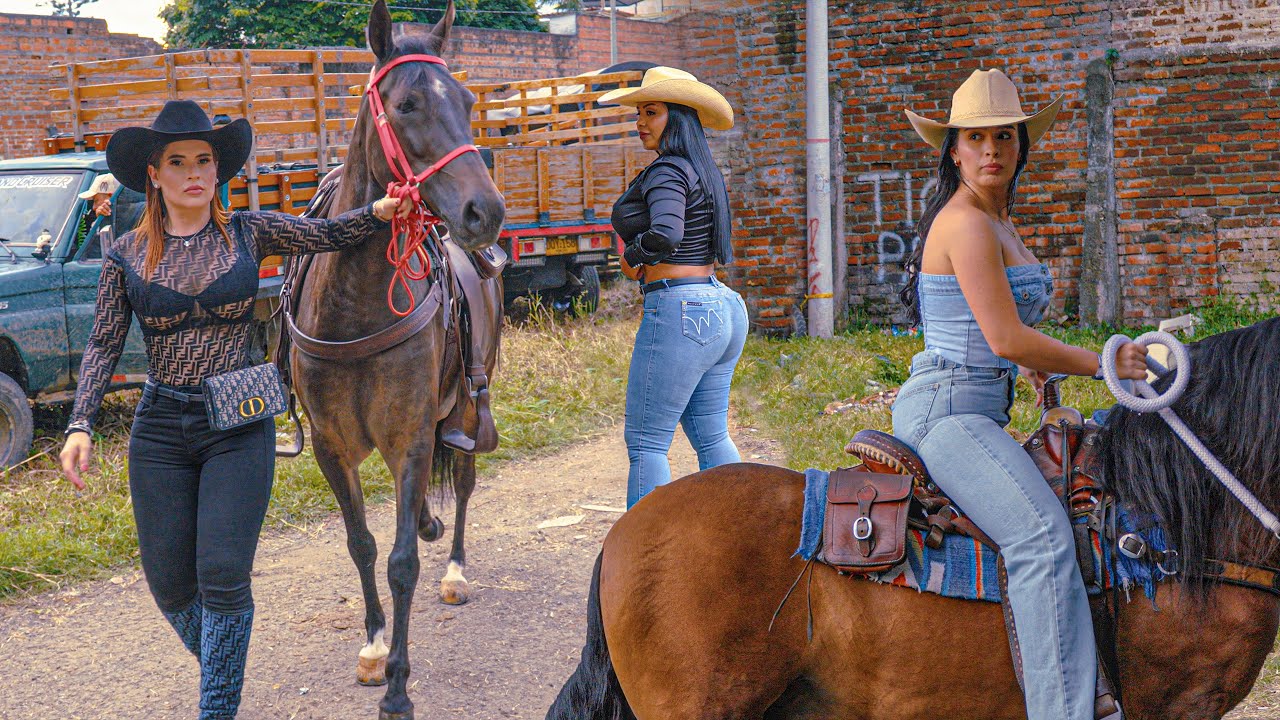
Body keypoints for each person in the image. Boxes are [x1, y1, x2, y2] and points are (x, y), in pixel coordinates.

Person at [58, 100, 410, 720]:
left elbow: (327, 234)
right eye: (179, 162)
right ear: (155, 175)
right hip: (161, 425)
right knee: (169, 583)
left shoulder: (250, 232)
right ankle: (224, 667)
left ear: (217, 171)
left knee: (222, 572)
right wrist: (81, 422)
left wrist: (379, 211)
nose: (195, 173)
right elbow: (104, 342)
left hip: (238, 422)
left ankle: (216, 708)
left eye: (204, 161)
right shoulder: (122, 256)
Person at [892, 69, 1148, 720]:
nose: (991, 152)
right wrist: (1107, 362)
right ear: (952, 149)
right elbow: (1004, 338)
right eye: (975, 139)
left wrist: (1048, 377)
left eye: (1004, 137)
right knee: (1041, 539)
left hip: (979, 408)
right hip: (947, 416)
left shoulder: (998, 217)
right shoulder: (968, 224)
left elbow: (1005, 333)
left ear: (1019, 146)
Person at [598, 66, 749, 509]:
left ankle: (645, 564)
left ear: (678, 116)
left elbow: (666, 233)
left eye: (652, 112)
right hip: (722, 307)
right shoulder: (702, 170)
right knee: (712, 437)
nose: (640, 122)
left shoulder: (667, 171)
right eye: (640, 113)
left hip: (681, 310)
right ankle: (739, 534)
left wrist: (633, 256)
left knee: (646, 445)